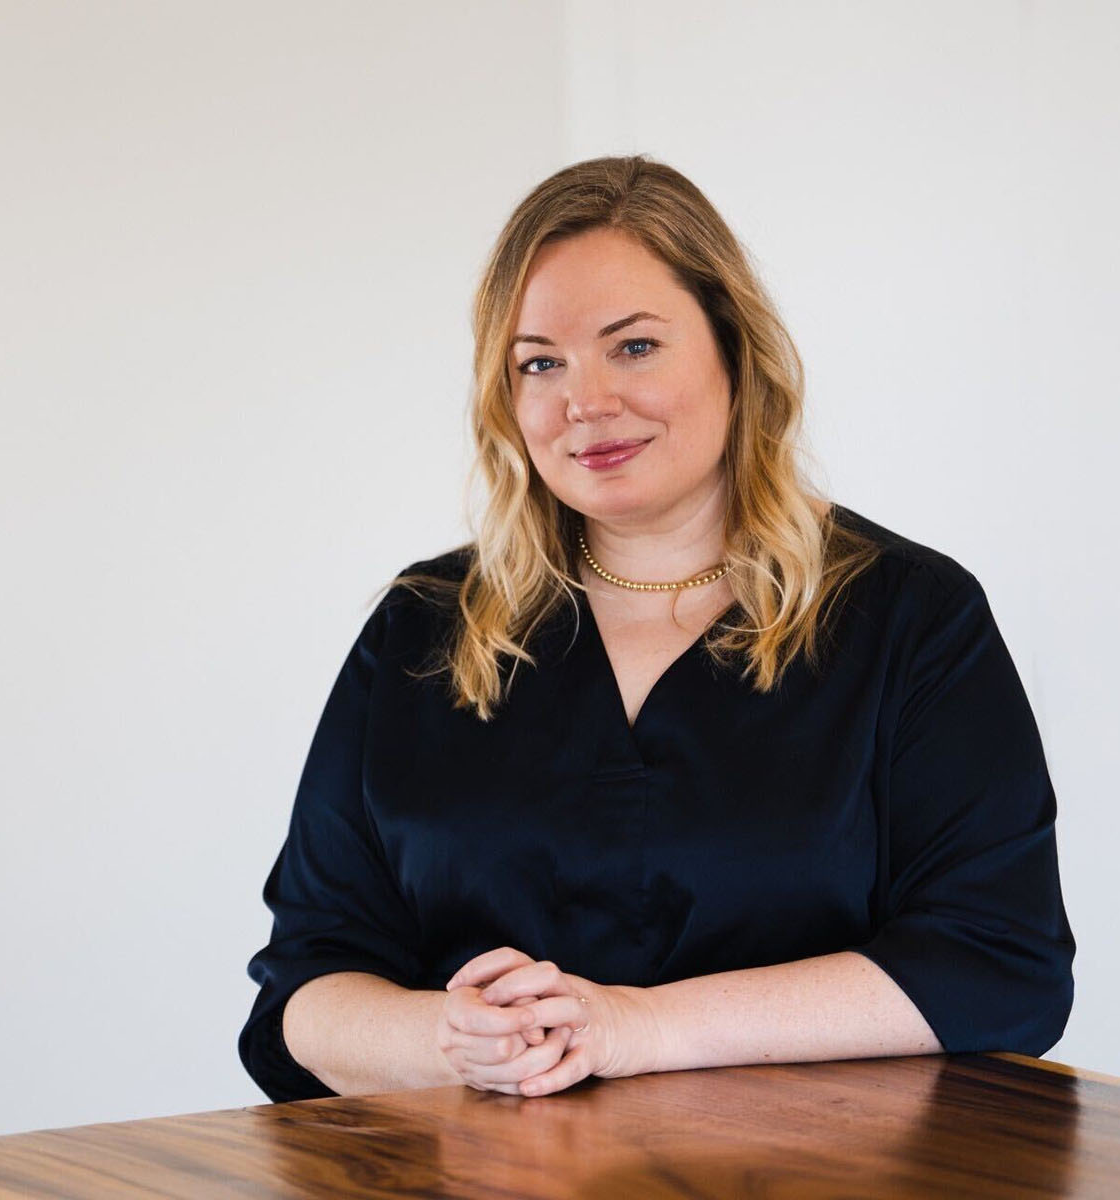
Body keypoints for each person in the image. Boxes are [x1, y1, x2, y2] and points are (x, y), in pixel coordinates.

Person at [239, 154, 1076, 1104]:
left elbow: (998, 968)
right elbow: (305, 990)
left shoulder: (912, 618)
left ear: (733, 347)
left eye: (633, 346)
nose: (584, 402)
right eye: (540, 363)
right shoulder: (424, 629)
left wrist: (633, 1027)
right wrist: (456, 1038)